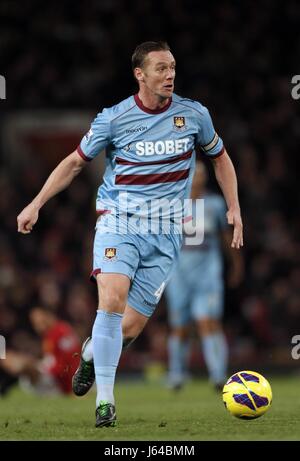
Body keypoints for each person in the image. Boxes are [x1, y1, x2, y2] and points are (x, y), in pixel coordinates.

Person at [17, 41, 243, 427]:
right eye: (160, 68)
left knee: (131, 327)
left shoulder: (194, 115)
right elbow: (74, 163)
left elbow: (219, 158)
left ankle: (90, 355)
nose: (169, 74)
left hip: (167, 231)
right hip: (119, 221)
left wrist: (234, 208)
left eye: (172, 67)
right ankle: (105, 402)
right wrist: (36, 202)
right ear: (140, 74)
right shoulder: (114, 119)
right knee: (112, 298)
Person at [165, 161, 244, 391]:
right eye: (193, 172)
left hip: (208, 273)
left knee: (208, 322)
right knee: (180, 326)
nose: (197, 177)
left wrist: (237, 265)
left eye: (200, 173)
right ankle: (177, 375)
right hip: (178, 274)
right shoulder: (173, 205)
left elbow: (225, 236)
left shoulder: (215, 204)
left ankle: (218, 376)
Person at [0, 305, 80, 394]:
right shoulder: (52, 333)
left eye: (40, 321)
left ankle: (7, 384)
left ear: (49, 316)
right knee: (11, 358)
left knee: (24, 365)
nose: (37, 325)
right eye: (35, 323)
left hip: (60, 380)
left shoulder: (60, 332)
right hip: (55, 375)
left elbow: (69, 361)